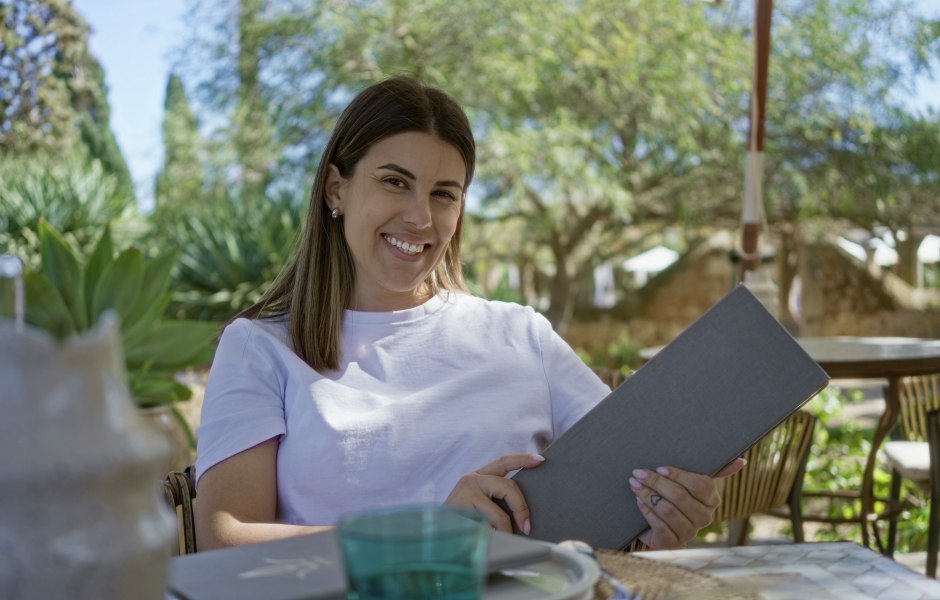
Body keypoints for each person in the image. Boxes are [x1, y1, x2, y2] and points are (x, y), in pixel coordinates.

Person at [194, 76, 744, 551]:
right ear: (337, 188)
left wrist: (664, 514)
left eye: (444, 194)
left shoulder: (521, 334)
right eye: (394, 182)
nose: (419, 217)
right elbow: (224, 539)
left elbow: (626, 478)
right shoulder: (261, 347)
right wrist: (430, 532)